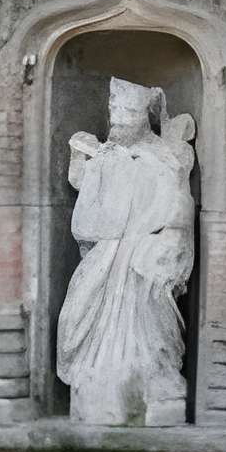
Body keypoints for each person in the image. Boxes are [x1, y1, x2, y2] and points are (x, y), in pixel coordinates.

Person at [56, 77, 196, 426]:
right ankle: (96, 380)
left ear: (143, 116)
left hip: (144, 257)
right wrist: (80, 154)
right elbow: (82, 185)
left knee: (145, 321)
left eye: (125, 112)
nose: (117, 118)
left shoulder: (164, 158)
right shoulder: (109, 152)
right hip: (107, 254)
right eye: (113, 111)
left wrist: (165, 246)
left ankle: (151, 381)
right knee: (81, 309)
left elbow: (178, 210)